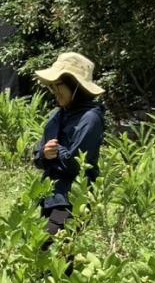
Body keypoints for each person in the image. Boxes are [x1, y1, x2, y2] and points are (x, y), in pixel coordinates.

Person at [31, 52, 107, 245]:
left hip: (72, 200)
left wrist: (57, 152)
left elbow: (78, 165)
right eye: (52, 87)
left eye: (59, 86)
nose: (55, 92)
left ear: (76, 87)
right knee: (46, 252)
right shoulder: (59, 115)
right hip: (51, 196)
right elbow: (37, 156)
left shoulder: (90, 119)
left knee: (56, 254)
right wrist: (44, 154)